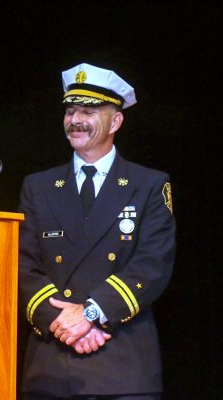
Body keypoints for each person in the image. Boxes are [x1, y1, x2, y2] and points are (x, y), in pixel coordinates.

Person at [17, 63, 176, 399]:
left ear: (116, 121)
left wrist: (91, 313)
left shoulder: (148, 184)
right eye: (71, 111)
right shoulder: (38, 186)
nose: (75, 120)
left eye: (88, 111)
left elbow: (153, 264)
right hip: (52, 363)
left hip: (122, 364)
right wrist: (64, 324)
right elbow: (22, 264)